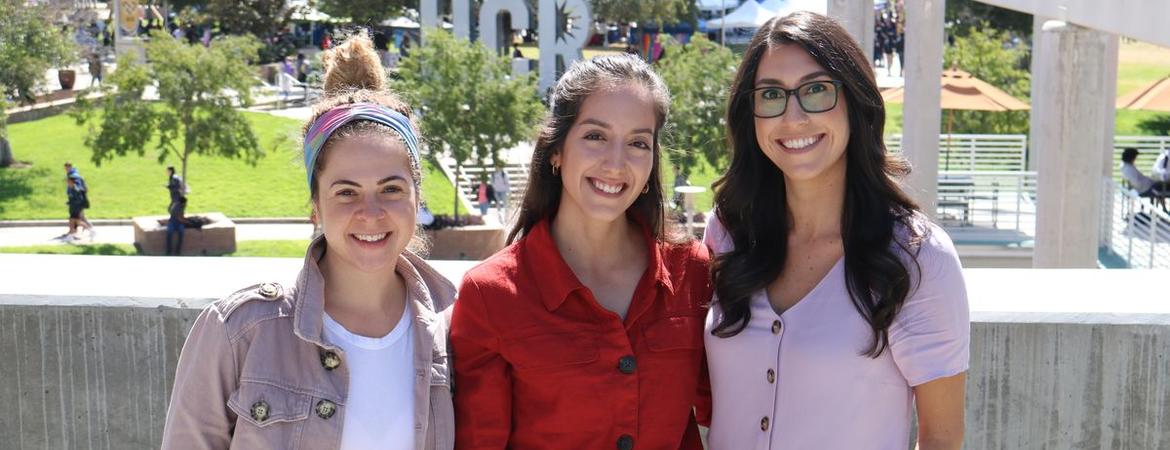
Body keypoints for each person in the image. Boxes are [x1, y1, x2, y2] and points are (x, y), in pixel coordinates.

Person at [161, 33, 456, 449]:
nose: (371, 212)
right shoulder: (238, 332)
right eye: (346, 192)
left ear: (417, 199)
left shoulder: (457, 332)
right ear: (315, 206)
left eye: (391, 189)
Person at [702, 12, 969, 450]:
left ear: (855, 101)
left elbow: (942, 438)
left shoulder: (919, 256)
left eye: (816, 90)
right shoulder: (728, 232)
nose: (793, 117)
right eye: (771, 95)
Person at [450, 54, 712, 449]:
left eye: (638, 143)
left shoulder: (693, 270)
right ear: (556, 151)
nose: (616, 163)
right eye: (595, 136)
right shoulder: (490, 295)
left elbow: (733, 412)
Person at [64, 162, 95, 238]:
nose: (66, 169)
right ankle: (73, 232)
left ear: (70, 167)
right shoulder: (71, 174)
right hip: (75, 201)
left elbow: (78, 188)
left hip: (77, 202)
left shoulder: (74, 176)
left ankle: (90, 229)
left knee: (78, 218)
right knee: (77, 218)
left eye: (67, 167)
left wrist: (73, 198)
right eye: (65, 167)